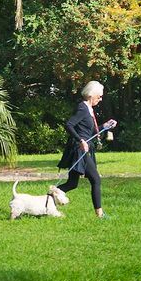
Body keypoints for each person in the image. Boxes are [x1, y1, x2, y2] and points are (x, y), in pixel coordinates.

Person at [57, 81, 116, 218]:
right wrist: (80, 140)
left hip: (84, 148)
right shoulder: (82, 108)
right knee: (96, 179)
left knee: (72, 183)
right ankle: (100, 214)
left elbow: (91, 133)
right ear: (91, 95)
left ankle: (47, 199)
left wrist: (105, 126)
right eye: (99, 96)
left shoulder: (89, 109)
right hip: (79, 150)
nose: (100, 99)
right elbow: (69, 125)